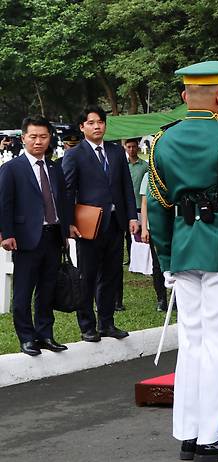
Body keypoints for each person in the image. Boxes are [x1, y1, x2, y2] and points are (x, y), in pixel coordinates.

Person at [148, 61, 218, 460]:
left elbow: (159, 210)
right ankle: (213, 434)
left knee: (191, 343)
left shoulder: (162, 141)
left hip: (183, 250)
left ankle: (188, 434)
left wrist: (166, 261)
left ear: (183, 97)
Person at [63, 105, 139, 342]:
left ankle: (107, 323)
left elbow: (126, 186)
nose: (97, 126)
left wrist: (132, 217)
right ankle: (87, 325)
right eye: (91, 123)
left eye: (101, 122)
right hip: (88, 226)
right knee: (88, 275)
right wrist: (68, 223)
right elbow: (67, 191)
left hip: (116, 224)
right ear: (82, 126)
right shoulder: (74, 155)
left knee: (111, 275)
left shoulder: (116, 152)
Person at [0, 116, 72, 356]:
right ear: (23, 138)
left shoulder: (54, 167)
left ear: (49, 138)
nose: (38, 141)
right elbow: (5, 204)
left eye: (43, 136)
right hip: (25, 237)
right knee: (23, 289)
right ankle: (27, 337)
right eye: (33, 137)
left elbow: (61, 200)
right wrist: (7, 234)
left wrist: (66, 228)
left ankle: (45, 334)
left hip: (53, 235)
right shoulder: (12, 169)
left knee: (47, 287)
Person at [115, 138, 148, 311]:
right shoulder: (123, 165)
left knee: (137, 237)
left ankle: (136, 260)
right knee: (126, 234)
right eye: (129, 146)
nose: (132, 149)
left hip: (139, 205)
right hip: (126, 207)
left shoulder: (144, 166)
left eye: (134, 146)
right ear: (125, 148)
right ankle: (128, 259)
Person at [138, 172, 167, 312]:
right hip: (154, 227)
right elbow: (144, 204)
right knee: (157, 264)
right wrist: (144, 228)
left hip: (172, 225)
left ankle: (177, 298)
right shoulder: (148, 176)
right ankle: (161, 298)